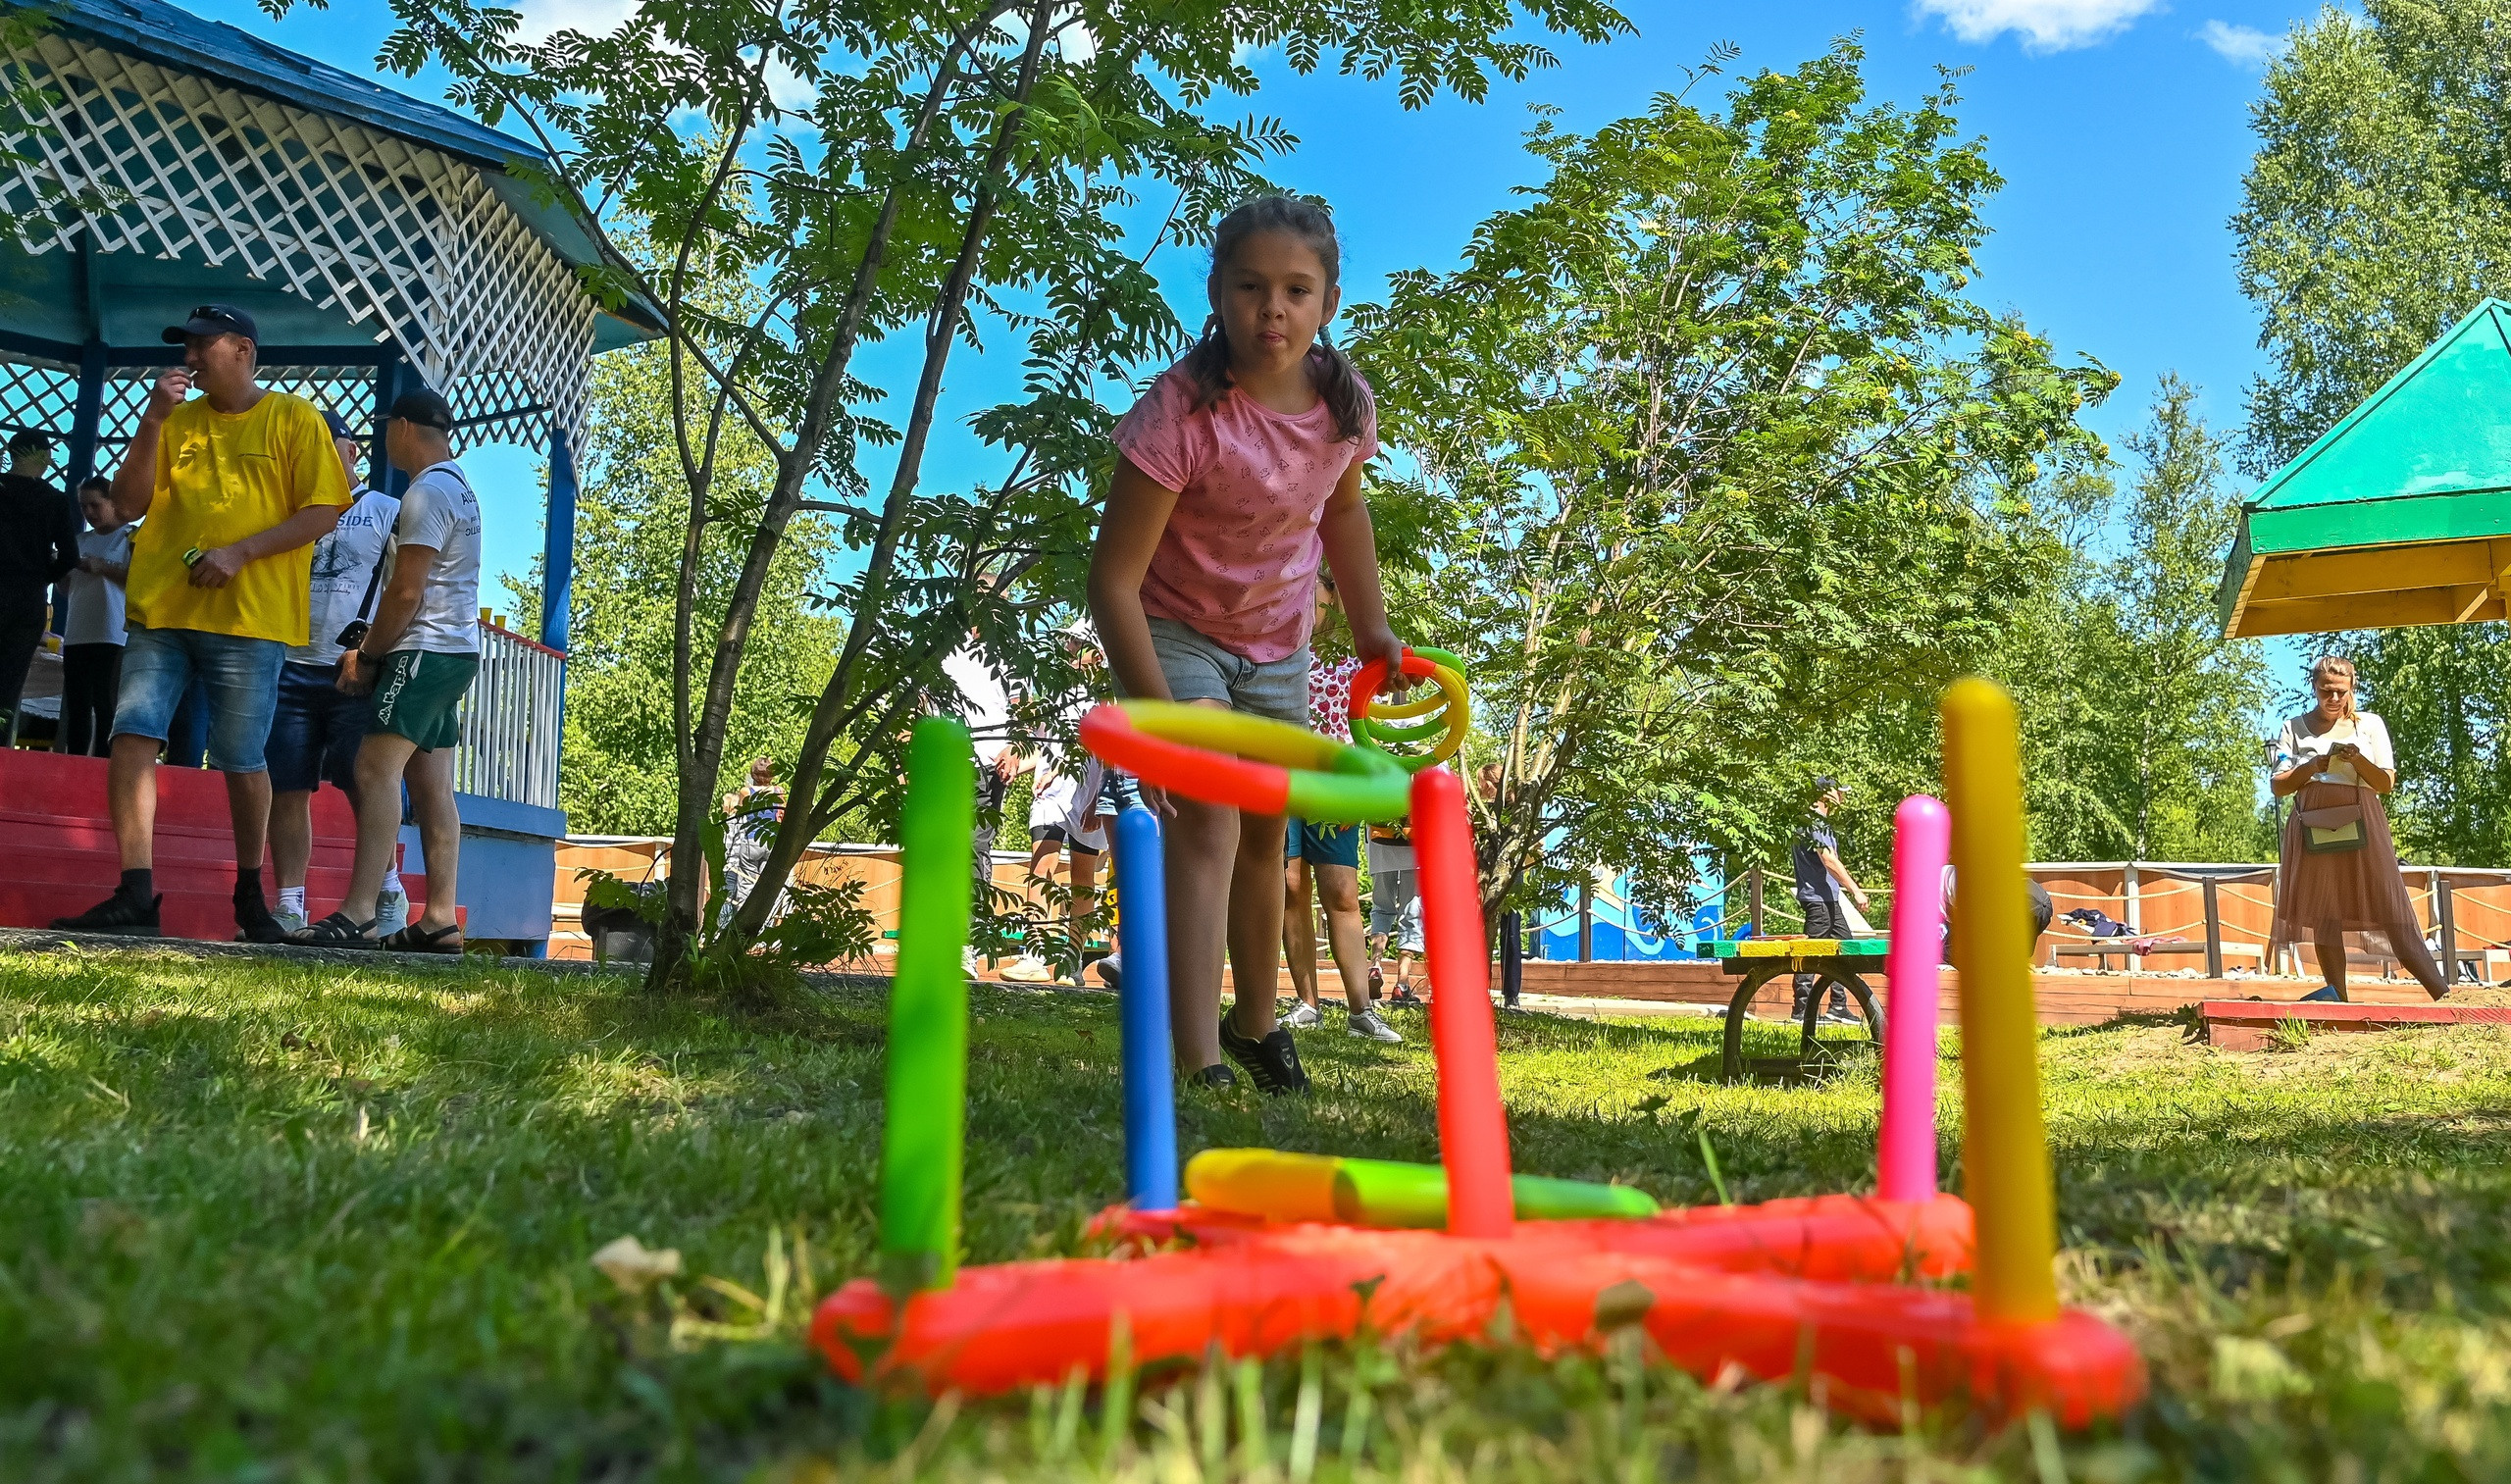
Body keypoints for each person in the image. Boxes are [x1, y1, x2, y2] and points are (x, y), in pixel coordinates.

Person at [1088, 193, 1406, 1095]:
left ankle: (1259, 1025)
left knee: (1270, 834)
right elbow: (1111, 581)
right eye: (1251, 286)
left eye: (1297, 290)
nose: (1274, 308)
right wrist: (1154, 719)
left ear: (1328, 304)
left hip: (1278, 644)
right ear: (1220, 294)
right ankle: (1198, 1055)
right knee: (1206, 821)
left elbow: (1343, 509)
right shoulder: (1184, 411)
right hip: (1176, 631)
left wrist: (1372, 623)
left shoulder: (1342, 404)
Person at [52, 306, 350, 939]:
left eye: (201, 345)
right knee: (132, 732)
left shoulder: (292, 418)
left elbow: (325, 509)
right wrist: (153, 420)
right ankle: (135, 892)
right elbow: (126, 506)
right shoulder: (175, 420)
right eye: (185, 346)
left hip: (251, 620)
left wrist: (241, 552)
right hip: (163, 611)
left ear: (243, 348)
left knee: (241, 757)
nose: (188, 358)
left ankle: (249, 895)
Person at [295, 388, 479, 951]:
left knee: (373, 770)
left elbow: (404, 592)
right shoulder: (461, 487)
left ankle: (358, 913)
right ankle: (440, 917)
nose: (381, 439)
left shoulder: (425, 493)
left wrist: (370, 656)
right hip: (457, 650)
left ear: (403, 427)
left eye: (385, 428)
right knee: (432, 785)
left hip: (422, 650)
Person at [266, 411, 404, 936]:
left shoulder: (387, 512)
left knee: (364, 782)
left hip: (354, 670)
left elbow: (403, 587)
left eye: (331, 446)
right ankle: (289, 902)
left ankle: (385, 888)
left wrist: (374, 653)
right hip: (290, 664)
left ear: (352, 452)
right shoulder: (288, 512)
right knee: (288, 786)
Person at [2270, 654, 2448, 1002]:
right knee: (2325, 914)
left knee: (2390, 905)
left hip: (2363, 823)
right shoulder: (2292, 727)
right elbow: (2278, 785)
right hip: (2312, 828)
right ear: (2314, 688)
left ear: (2352, 688)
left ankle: (2440, 992)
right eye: (2326, 692)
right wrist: (2310, 767)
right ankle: (2338, 997)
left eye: (2341, 692)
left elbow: (2385, 783)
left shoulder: (2369, 724)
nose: (2333, 699)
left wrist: (2357, 759)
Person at [1281, 575, 1403, 1043]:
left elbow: (1377, 726)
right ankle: (1307, 1003)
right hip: (1285, 780)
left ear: (1334, 598)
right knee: (1290, 887)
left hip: (1335, 787)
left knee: (1343, 894)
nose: (1304, 602)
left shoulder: (1356, 661)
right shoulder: (1282, 656)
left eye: (1314, 593)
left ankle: (1361, 1010)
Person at [1003, 623, 1109, 985]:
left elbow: (1111, 751)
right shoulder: (1055, 691)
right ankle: (1031, 954)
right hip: (1051, 794)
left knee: (1082, 878)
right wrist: (1019, 761)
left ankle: (1071, 962)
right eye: (1068, 639)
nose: (1069, 646)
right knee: (1041, 863)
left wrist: (1099, 798)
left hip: (1088, 794)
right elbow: (1041, 745)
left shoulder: (1107, 696)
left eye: (1077, 642)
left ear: (1096, 652)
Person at [941, 636, 1019, 975]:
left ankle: (964, 946)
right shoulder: (943, 646)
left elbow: (1026, 712)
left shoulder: (1010, 653)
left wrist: (1016, 748)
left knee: (974, 848)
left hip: (988, 767)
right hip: (944, 758)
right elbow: (918, 702)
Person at [0, 429, 77, 742]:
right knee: (10, 678)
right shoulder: (54, 500)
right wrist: (42, 575)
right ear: (45, 457)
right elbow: (70, 555)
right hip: (27, 598)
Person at [60, 476, 132, 757]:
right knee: (76, 705)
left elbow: (139, 580)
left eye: (95, 505)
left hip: (113, 632)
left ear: (113, 502)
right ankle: (75, 761)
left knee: (107, 704)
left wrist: (102, 567)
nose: (89, 513)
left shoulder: (129, 538)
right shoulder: (80, 541)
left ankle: (104, 765)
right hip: (78, 632)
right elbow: (67, 588)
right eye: (83, 507)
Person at [1792, 777, 1869, 1024]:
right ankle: (1801, 1010)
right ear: (1826, 794)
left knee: (1843, 948)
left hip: (1829, 900)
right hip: (1818, 901)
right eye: (1840, 791)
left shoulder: (1819, 823)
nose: (1843, 796)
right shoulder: (1813, 823)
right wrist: (1855, 890)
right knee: (1810, 954)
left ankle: (1837, 1006)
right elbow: (1830, 861)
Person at [721, 754, 786, 922]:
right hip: (771, 841)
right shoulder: (779, 791)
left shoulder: (746, 791)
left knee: (745, 887)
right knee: (768, 887)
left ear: (754, 773)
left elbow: (740, 813)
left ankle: (742, 929)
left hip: (752, 840)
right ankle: (765, 926)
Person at [1367, 820, 1422, 1007]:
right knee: (1411, 912)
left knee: (1381, 906)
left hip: (1380, 834)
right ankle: (1402, 984)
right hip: (1413, 835)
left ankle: (1375, 966)